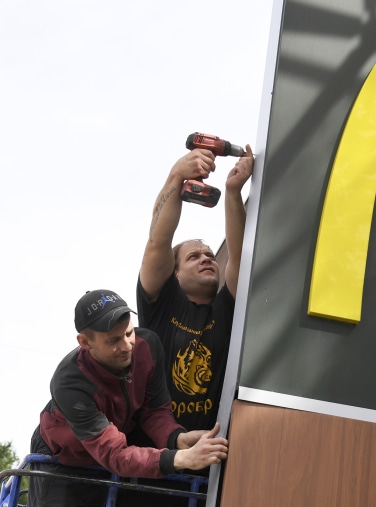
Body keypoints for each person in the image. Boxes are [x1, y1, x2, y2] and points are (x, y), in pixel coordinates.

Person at [28, 289, 229, 507]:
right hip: (63, 455)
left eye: (128, 333)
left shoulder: (148, 345)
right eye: (114, 340)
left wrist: (177, 438)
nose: (126, 346)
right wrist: (181, 459)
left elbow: (154, 412)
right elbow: (114, 454)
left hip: (113, 451)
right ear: (85, 342)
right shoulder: (69, 383)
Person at [137, 144, 253, 432]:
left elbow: (239, 255)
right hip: (153, 458)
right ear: (174, 273)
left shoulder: (227, 308)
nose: (206, 258)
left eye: (210, 255)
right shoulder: (161, 302)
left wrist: (233, 191)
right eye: (194, 256)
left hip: (207, 465)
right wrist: (176, 176)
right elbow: (157, 242)